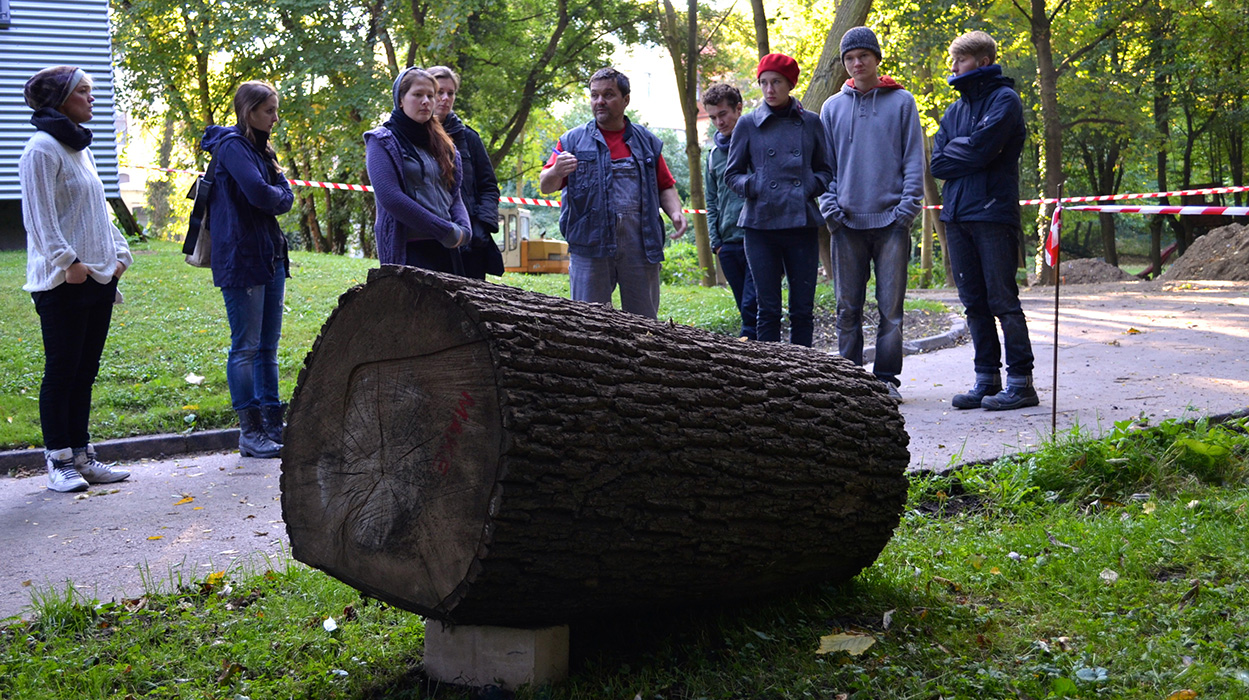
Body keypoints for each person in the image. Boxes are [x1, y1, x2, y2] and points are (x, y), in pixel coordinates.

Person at [20, 65, 133, 492]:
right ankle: (59, 460)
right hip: (63, 280)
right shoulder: (41, 149)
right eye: (84, 91)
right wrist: (70, 262)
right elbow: (39, 218)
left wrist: (120, 255)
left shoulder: (78, 148)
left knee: (85, 371)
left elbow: (96, 211)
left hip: (99, 277)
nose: (92, 98)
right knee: (62, 370)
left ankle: (83, 456)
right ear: (59, 100)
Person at [931, 31, 1037, 411]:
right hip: (956, 215)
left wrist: (967, 150)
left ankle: (1022, 383)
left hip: (993, 213)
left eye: (960, 60)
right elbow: (937, 162)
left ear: (983, 61)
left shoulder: (1005, 100)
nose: (954, 68)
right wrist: (969, 151)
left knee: (1002, 300)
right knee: (973, 302)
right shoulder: (955, 110)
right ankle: (986, 380)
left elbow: (978, 151)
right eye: (953, 60)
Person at [818, 26, 925, 399]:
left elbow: (914, 158)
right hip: (845, 223)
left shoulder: (902, 102)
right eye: (849, 58)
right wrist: (829, 209)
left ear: (877, 58)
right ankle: (849, 380)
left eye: (863, 55)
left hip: (892, 222)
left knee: (890, 309)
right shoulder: (831, 108)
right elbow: (823, 168)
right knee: (847, 308)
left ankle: (885, 380)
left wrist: (908, 208)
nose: (856, 63)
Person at [538, 67, 688, 319]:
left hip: (640, 245)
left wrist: (676, 212)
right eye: (594, 95)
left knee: (644, 323)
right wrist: (555, 171)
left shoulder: (647, 142)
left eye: (608, 95)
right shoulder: (572, 141)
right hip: (589, 244)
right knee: (589, 323)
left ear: (625, 99)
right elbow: (546, 185)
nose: (599, 101)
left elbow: (665, 185)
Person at [200, 81, 295, 458]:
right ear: (249, 111)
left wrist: (279, 195)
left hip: (270, 255)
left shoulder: (262, 148)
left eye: (275, 109)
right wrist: (279, 195)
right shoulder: (233, 147)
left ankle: (273, 424)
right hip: (242, 258)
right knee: (246, 347)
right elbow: (262, 194)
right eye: (269, 110)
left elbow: (282, 194)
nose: (275, 117)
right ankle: (250, 432)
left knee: (268, 347)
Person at [724, 54, 833, 347]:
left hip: (802, 224)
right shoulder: (747, 124)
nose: (769, 89)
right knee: (767, 309)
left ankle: (806, 375)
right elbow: (731, 174)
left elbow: (826, 169)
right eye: (763, 83)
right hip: (760, 225)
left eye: (776, 82)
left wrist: (808, 186)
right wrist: (755, 184)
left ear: (790, 84)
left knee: (802, 310)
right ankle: (770, 378)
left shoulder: (811, 122)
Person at [365, 67, 472, 270]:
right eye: (417, 95)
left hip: (446, 248)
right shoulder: (381, 140)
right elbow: (391, 198)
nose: (426, 101)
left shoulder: (443, 143)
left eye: (430, 96)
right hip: (408, 250)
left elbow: (453, 192)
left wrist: (464, 229)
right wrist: (443, 230)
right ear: (400, 99)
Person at [429, 65, 505, 279]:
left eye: (450, 93)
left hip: (470, 244)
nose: (445, 98)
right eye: (439, 92)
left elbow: (489, 186)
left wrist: (482, 225)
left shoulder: (469, 138)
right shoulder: (412, 138)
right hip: (431, 242)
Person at [702, 83, 757, 340]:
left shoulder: (757, 143)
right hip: (728, 243)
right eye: (713, 117)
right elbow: (711, 201)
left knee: (753, 304)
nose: (718, 122)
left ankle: (757, 353)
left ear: (738, 109)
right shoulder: (713, 156)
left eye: (722, 114)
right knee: (744, 307)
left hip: (757, 237)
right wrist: (716, 243)